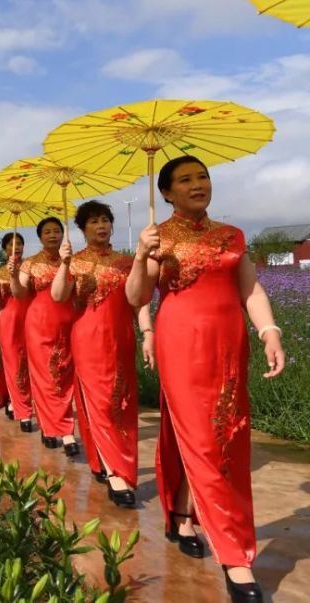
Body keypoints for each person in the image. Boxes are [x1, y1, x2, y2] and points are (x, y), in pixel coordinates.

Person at [126, 156, 284, 602]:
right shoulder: (159, 239)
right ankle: (234, 555)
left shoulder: (231, 235)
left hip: (229, 345)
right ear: (167, 194)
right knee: (205, 440)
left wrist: (269, 331)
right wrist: (141, 255)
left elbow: (250, 288)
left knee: (225, 436)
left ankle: (181, 512)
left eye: (203, 176)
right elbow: (136, 297)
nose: (198, 184)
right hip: (182, 344)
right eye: (185, 180)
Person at [52, 201, 155, 509]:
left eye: (105, 220)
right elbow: (59, 296)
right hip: (88, 339)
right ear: (82, 230)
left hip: (121, 338)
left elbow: (140, 302)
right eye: (94, 221)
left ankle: (101, 461)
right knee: (101, 403)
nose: (102, 226)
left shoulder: (126, 262)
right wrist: (63, 265)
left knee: (121, 401)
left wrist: (147, 333)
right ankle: (116, 472)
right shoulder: (75, 261)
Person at [10, 217, 79, 455]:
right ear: (40, 237)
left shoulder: (73, 260)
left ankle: (65, 427)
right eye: (47, 232)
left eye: (57, 231)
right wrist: (12, 275)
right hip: (39, 321)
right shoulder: (30, 263)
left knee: (66, 374)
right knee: (45, 375)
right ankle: (53, 428)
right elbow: (19, 294)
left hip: (68, 321)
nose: (52, 235)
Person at [0, 233, 33, 430]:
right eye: (11, 244)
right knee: (13, 363)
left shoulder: (31, 267)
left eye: (20, 243)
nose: (16, 247)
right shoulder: (0, 271)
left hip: (30, 318)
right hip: (8, 320)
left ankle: (13, 400)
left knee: (27, 364)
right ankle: (23, 409)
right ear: (5, 248)